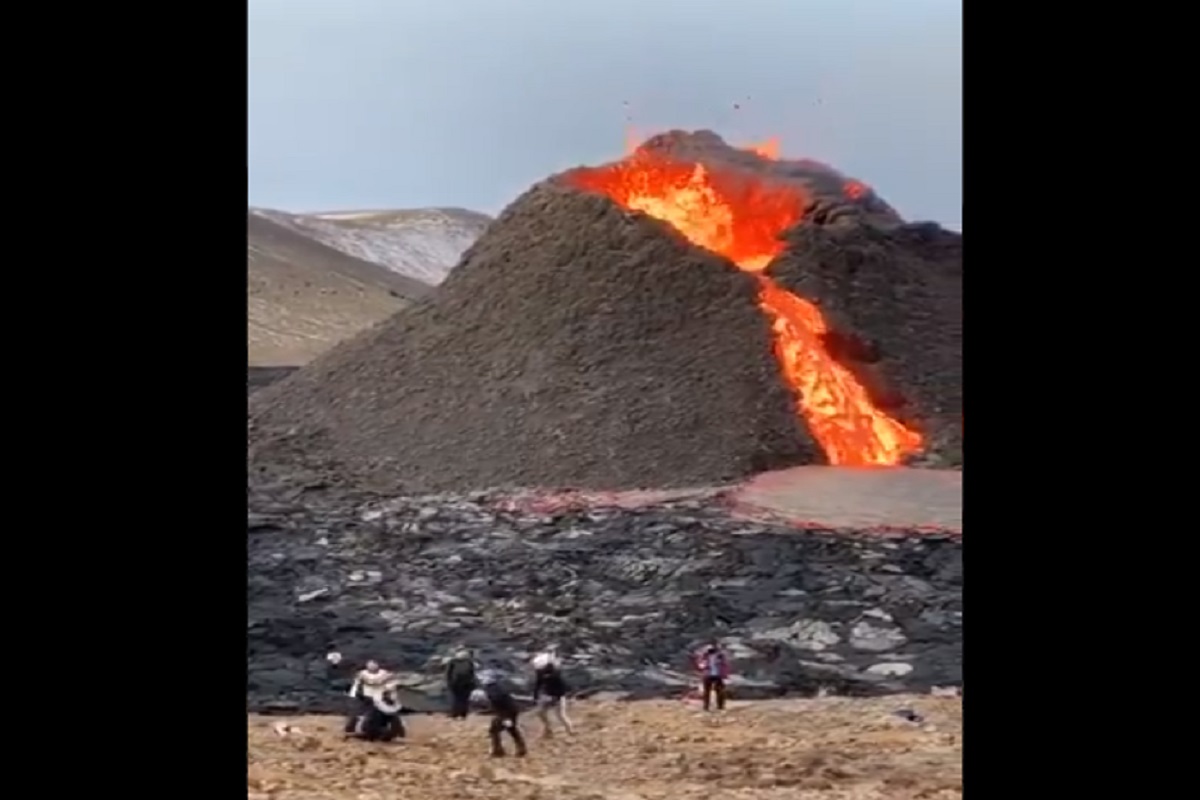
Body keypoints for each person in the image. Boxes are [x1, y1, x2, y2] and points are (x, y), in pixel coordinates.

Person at [479, 670, 527, 758]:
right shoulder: (494, 688)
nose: (482, 679)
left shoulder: (494, 690)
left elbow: (501, 704)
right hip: (507, 712)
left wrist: (506, 718)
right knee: (506, 729)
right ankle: (519, 749)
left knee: (497, 730)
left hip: (507, 712)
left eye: (484, 677)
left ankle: (498, 751)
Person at [344, 659, 394, 735]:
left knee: (391, 713)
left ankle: (396, 729)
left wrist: (389, 692)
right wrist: (355, 694)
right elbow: (356, 685)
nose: (372, 666)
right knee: (357, 713)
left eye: (374, 664)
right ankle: (352, 727)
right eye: (370, 665)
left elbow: (390, 684)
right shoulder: (361, 674)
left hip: (381, 697)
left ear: (377, 665)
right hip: (366, 697)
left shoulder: (385, 674)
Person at [531, 650, 574, 737]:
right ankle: (548, 730)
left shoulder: (556, 675)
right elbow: (538, 684)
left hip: (557, 696)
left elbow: (562, 688)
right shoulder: (540, 673)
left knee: (561, 715)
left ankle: (570, 731)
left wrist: (556, 698)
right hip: (548, 695)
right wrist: (535, 696)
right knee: (540, 713)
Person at [696, 642, 730, 712]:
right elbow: (700, 665)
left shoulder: (720, 656)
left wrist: (725, 675)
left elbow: (725, 665)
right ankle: (706, 706)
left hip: (718, 675)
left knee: (720, 691)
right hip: (708, 675)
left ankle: (720, 706)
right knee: (707, 692)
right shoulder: (704, 656)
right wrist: (704, 666)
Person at [445, 648, 478, 720]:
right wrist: (449, 681)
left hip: (464, 683)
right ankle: (457, 713)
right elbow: (448, 673)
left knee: (460, 699)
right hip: (457, 683)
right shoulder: (453, 662)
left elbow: (472, 673)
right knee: (458, 699)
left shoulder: (468, 662)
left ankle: (459, 714)